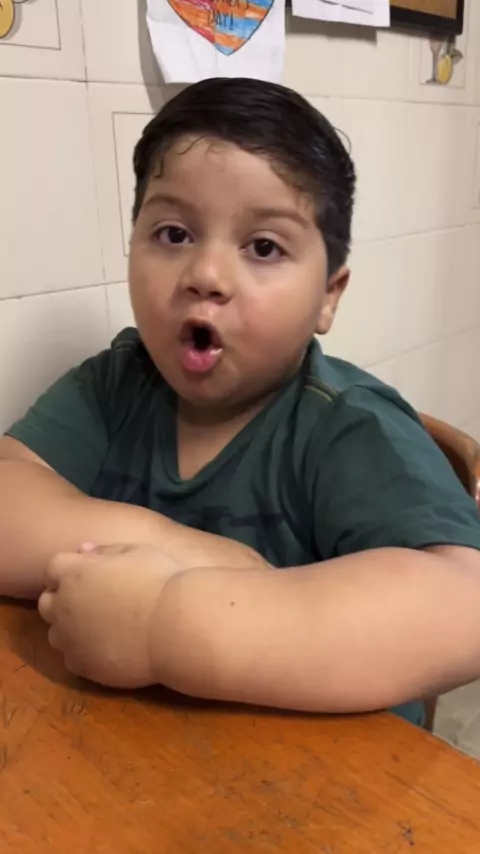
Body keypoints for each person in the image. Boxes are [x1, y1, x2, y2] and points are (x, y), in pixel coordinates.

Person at [2, 78, 480, 728]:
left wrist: (166, 625)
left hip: (322, 773)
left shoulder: (348, 426)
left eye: (263, 247)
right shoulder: (115, 385)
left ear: (328, 296)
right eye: (174, 233)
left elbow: (462, 601)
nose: (205, 275)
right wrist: (176, 547)